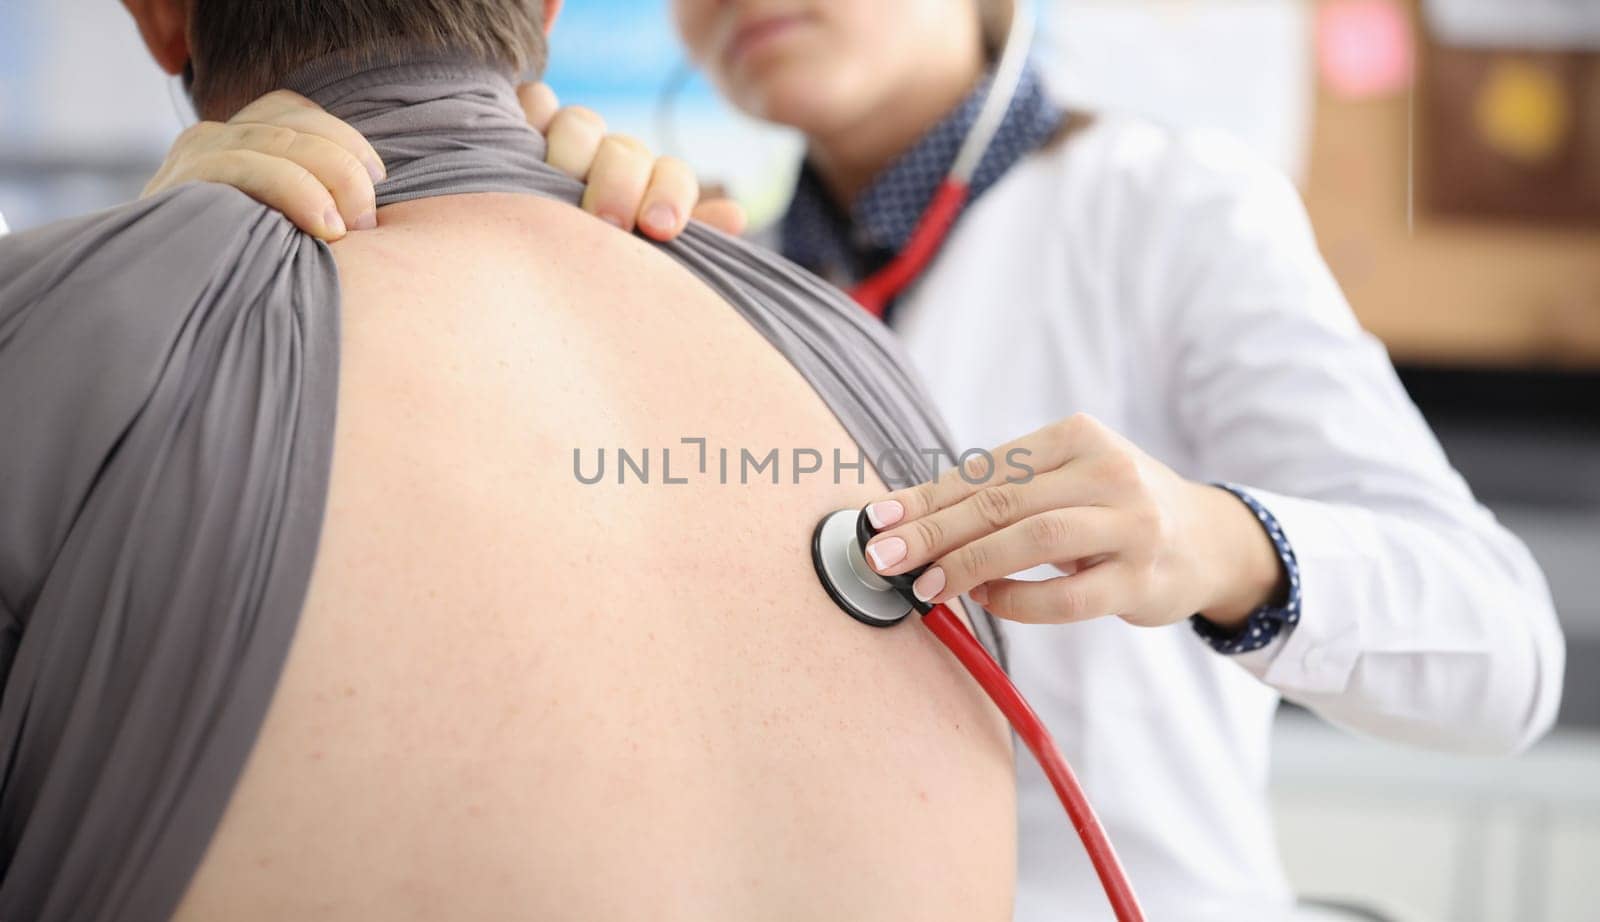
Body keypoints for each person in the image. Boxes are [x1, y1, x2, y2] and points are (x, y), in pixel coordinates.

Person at [173, 0, 1569, 918]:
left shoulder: (1171, 210)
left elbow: (1505, 656)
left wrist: (1212, 543)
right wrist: (201, 260)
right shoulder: (701, 269)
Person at [0, 1, 1022, 919]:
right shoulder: (854, 354)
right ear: (545, 12)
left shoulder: (55, 335)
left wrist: (90, 286)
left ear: (158, 18)